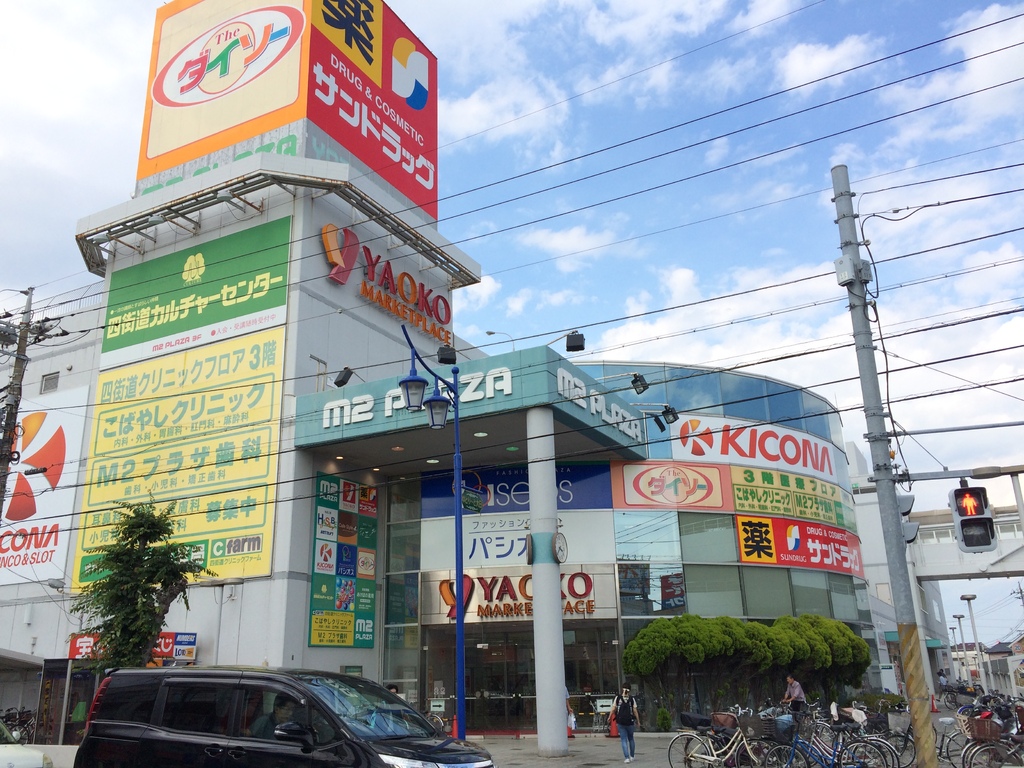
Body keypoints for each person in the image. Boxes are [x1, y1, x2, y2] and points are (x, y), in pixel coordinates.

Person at [612, 684, 640, 763]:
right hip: (630, 722)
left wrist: (609, 716)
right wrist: (638, 721)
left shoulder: (618, 698)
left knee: (623, 740)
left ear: (622, 689)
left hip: (621, 722)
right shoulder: (631, 699)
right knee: (631, 739)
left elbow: (613, 709)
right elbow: (635, 711)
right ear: (629, 690)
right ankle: (632, 756)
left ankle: (627, 758)